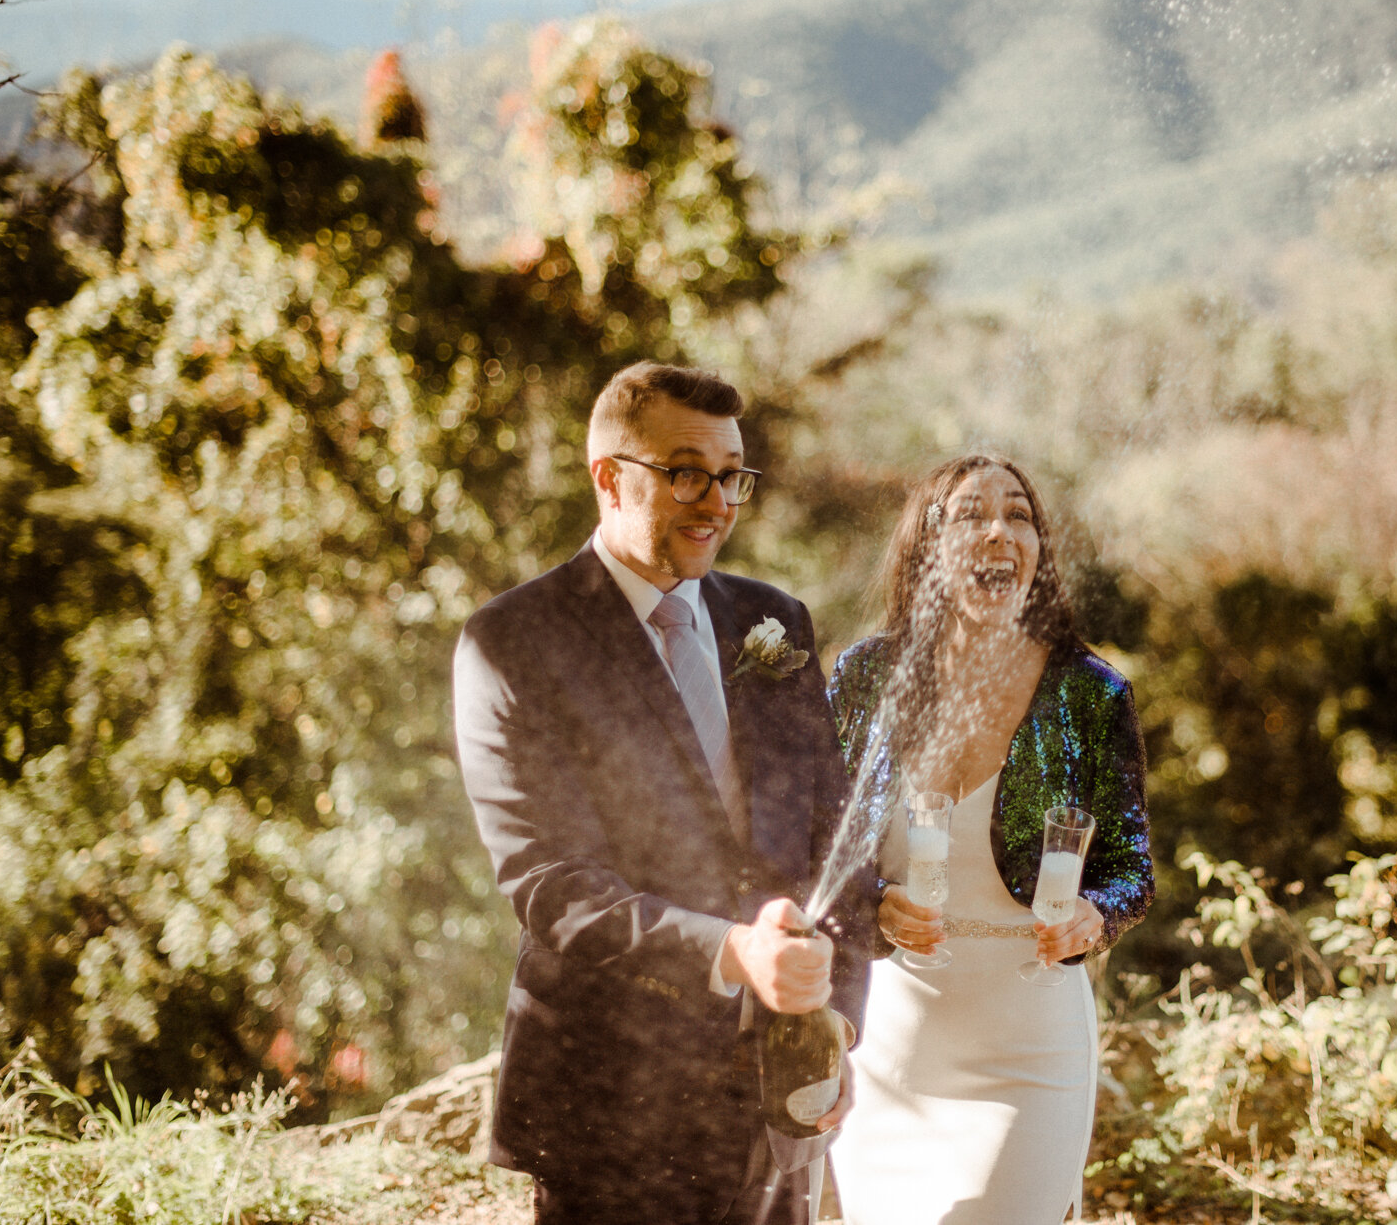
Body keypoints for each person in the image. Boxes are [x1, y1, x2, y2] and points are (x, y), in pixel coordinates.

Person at [451, 362, 865, 1223]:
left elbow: (832, 835)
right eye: (685, 472)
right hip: (610, 1107)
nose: (716, 501)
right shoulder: (512, 642)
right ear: (610, 476)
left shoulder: (774, 620)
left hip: (776, 1100)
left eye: (730, 476)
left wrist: (835, 1026)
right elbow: (548, 883)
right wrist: (731, 950)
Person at [828, 454, 1154, 1225]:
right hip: (894, 1044)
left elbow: (1130, 868)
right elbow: (818, 850)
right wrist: (872, 903)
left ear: (1038, 550)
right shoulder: (867, 676)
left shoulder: (1090, 690)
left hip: (1031, 1044)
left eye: (1019, 515)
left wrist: (1093, 917)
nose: (1000, 530)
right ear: (928, 546)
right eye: (971, 514)